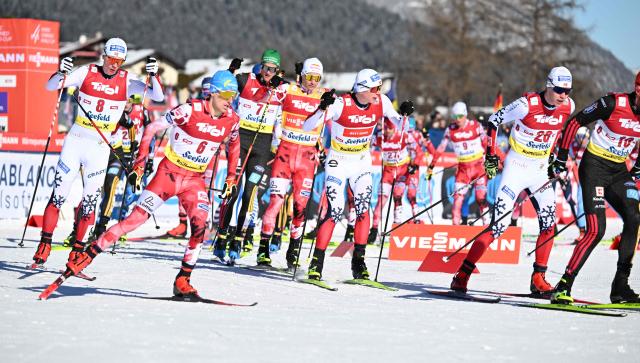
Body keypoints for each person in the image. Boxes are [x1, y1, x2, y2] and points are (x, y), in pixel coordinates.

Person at [63, 70, 241, 297]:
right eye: (226, 95)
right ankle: (88, 255)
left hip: (194, 180)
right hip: (168, 174)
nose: (230, 100)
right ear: (213, 93)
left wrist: (231, 177)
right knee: (134, 220)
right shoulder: (188, 110)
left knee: (199, 227)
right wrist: (139, 165)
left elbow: (234, 146)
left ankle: (183, 280)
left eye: (234, 95)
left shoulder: (232, 119)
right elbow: (152, 128)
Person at [32, 38, 163, 267]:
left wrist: (154, 75)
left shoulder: (127, 80)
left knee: (90, 201)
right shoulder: (86, 72)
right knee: (58, 195)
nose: (114, 64)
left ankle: (77, 251)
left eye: (119, 61)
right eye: (111, 59)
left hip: (100, 147)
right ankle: (44, 243)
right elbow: (51, 86)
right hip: (76, 140)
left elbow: (158, 96)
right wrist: (60, 72)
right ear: (104, 56)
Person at [450, 66, 575, 295]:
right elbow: (493, 121)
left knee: (549, 224)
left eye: (567, 91)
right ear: (549, 85)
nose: (563, 96)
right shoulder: (526, 105)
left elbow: (565, 131)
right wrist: (491, 154)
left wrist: (559, 157)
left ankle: (538, 278)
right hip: (516, 168)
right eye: (559, 90)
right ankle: (462, 274)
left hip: (539, 170)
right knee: (498, 226)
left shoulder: (568, 106)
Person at [302, 68, 414, 281]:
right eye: (375, 88)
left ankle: (359, 263)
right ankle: (317, 263)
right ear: (362, 88)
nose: (378, 92)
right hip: (338, 161)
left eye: (380, 88)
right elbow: (308, 126)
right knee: (334, 211)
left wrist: (405, 115)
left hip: (362, 162)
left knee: (364, 209)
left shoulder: (381, 102)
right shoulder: (341, 104)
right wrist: (321, 108)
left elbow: (401, 127)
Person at [548, 71, 640, 304]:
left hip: (618, 170)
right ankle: (563, 286)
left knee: (634, 218)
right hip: (594, 167)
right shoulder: (613, 103)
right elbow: (574, 122)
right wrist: (561, 157)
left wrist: (638, 166)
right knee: (596, 230)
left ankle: (620, 287)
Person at [254, 58, 327, 268]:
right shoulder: (288, 89)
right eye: (309, 76)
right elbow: (264, 99)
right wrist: (272, 87)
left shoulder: (324, 96)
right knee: (275, 203)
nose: (313, 81)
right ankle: (263, 250)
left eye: (317, 78)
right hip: (284, 156)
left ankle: (293, 252)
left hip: (306, 160)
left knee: (300, 208)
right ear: (302, 75)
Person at [214, 50, 286, 260]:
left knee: (250, 193)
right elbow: (222, 89)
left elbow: (302, 97)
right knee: (232, 191)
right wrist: (231, 70)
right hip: (240, 141)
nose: (268, 73)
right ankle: (221, 236)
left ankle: (239, 238)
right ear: (260, 67)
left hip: (262, 147)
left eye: (273, 70)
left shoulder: (281, 88)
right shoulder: (245, 80)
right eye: (265, 68)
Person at [89, 94, 151, 241]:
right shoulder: (112, 110)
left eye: (129, 102)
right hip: (97, 152)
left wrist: (134, 150)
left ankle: (101, 228)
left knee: (112, 187)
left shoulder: (139, 113)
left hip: (117, 155)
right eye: (124, 102)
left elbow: (137, 130)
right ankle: (77, 230)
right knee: (90, 192)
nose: (126, 105)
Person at [368, 117, 435, 243]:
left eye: (391, 129)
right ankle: (374, 230)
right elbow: (366, 148)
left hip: (402, 171)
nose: (389, 131)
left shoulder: (404, 136)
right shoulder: (379, 136)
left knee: (398, 197)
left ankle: (396, 229)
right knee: (380, 201)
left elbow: (420, 153)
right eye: (386, 128)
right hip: (388, 172)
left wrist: (414, 165)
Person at [164, 76, 213, 239]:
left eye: (210, 90)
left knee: (206, 191)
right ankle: (183, 224)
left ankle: (203, 226)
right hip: (191, 154)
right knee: (182, 187)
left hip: (209, 155)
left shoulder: (220, 108)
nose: (207, 94)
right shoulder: (195, 105)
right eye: (204, 90)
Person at [430, 101, 490, 225]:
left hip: (479, 168)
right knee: (457, 200)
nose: (457, 120)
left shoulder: (476, 126)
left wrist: (494, 159)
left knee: (481, 199)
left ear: (465, 115)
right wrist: (431, 166)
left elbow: (487, 144)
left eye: (460, 116)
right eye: (454, 117)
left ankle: (488, 227)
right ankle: (455, 230)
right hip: (463, 170)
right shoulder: (450, 129)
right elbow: (441, 148)